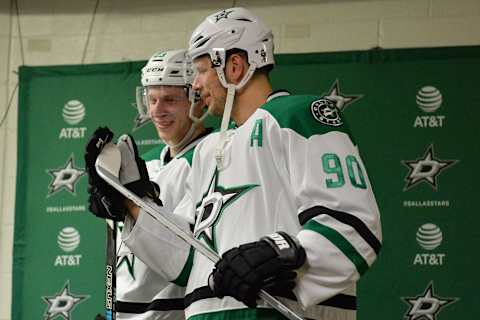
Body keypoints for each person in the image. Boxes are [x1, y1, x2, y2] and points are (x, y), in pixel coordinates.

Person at [100, 7, 382, 320]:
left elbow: (352, 221)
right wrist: (131, 202)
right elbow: (186, 259)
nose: (195, 85)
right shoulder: (208, 150)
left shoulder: (298, 115)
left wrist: (279, 251)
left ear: (234, 67)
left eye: (202, 70)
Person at [84, 49, 211, 320]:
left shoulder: (214, 157)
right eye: (152, 100)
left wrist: (132, 200)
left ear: (198, 100)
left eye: (169, 100)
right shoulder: (146, 166)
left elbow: (191, 257)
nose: (157, 111)